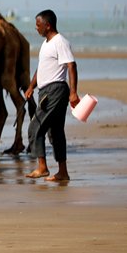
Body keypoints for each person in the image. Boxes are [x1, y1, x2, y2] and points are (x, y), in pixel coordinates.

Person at [24, 9, 79, 181]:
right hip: (45, 91)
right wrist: (31, 86)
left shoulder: (59, 42)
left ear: (48, 25)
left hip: (55, 91)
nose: (36, 28)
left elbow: (72, 66)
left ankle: (42, 168)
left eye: (38, 25)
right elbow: (41, 69)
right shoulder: (46, 44)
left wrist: (73, 92)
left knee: (35, 127)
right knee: (56, 132)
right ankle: (63, 172)